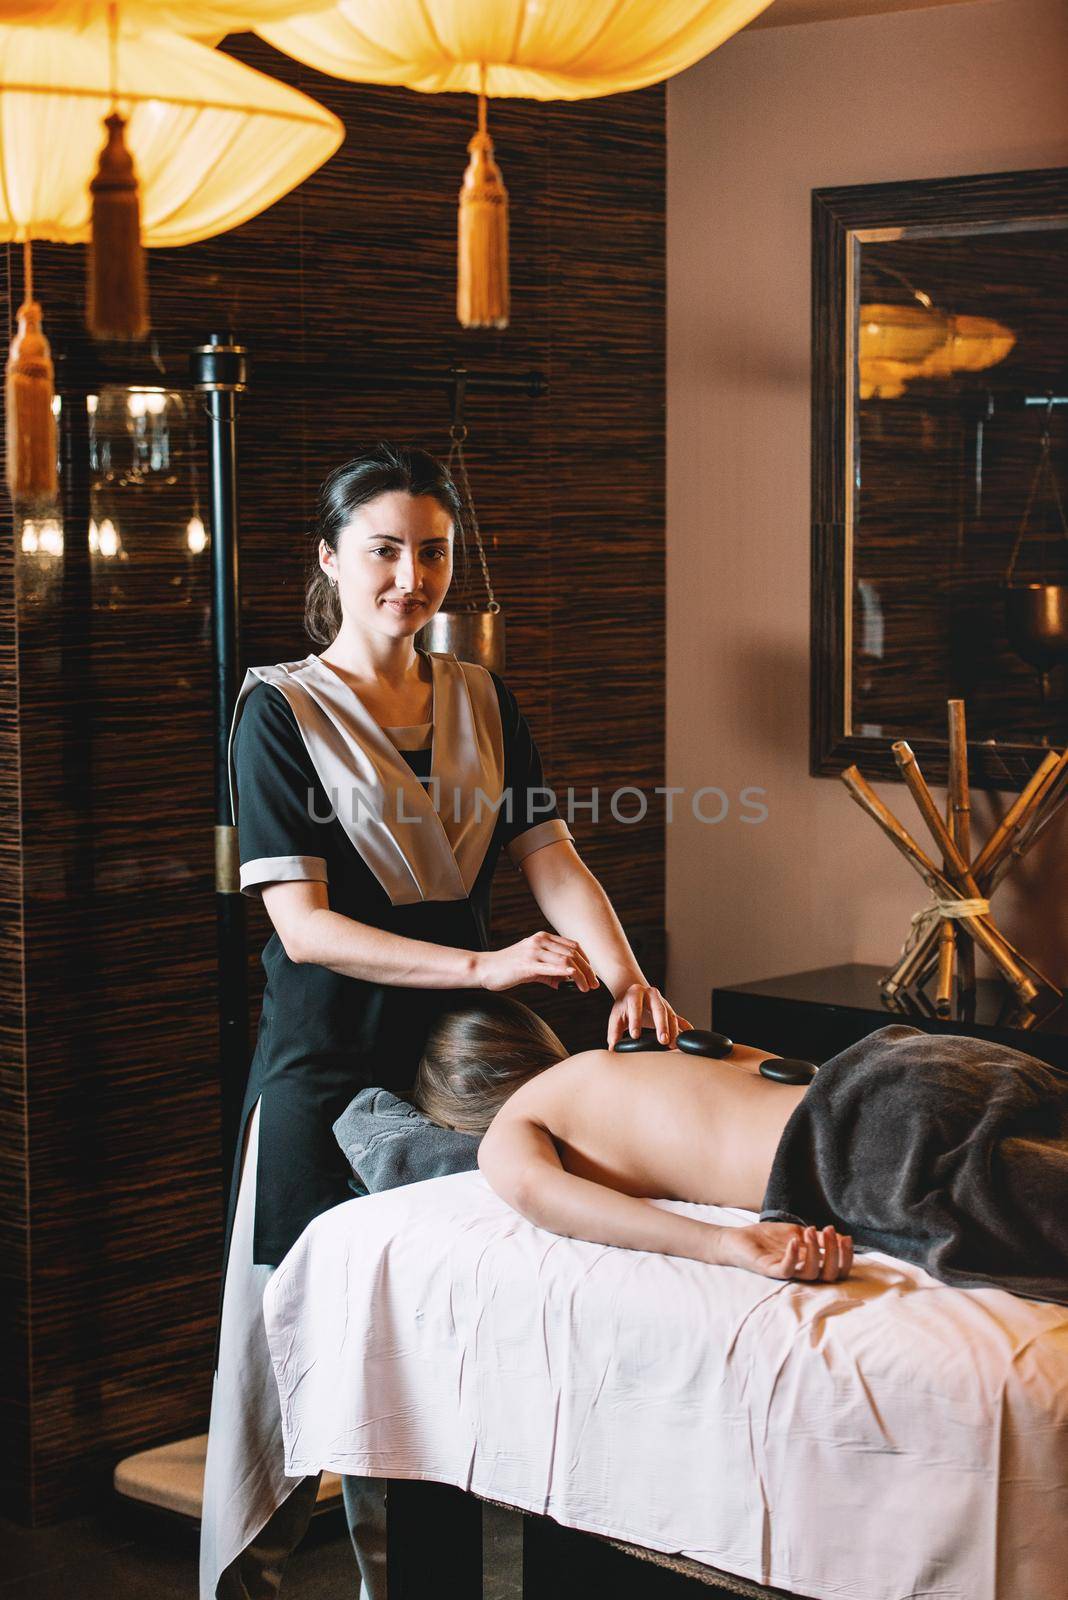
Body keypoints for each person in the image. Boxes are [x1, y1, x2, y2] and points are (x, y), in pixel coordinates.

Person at [199, 443, 690, 1600]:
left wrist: (626, 976)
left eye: (432, 553)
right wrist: (489, 959)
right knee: (291, 1349)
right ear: (329, 558)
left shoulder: (481, 696)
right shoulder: (280, 711)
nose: (410, 576)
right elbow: (306, 931)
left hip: (462, 1067)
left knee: (431, 1348)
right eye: (383, 550)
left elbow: (548, 854)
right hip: (325, 1067)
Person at [411, 996, 851, 1283]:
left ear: (457, 1122)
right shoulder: (639, 1055)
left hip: (839, 1147)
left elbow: (533, 1192)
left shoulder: (514, 1123)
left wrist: (720, 1243)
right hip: (872, 1069)